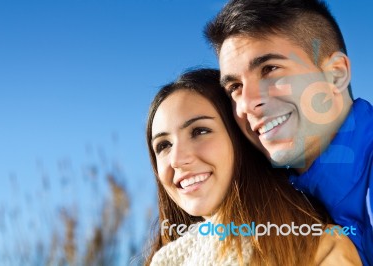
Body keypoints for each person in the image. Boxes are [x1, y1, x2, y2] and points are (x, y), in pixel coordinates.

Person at [204, 0, 373, 264]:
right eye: (235, 87)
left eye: (270, 69)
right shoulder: (257, 201)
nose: (247, 104)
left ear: (336, 75)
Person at [144, 68, 360, 265]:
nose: (177, 159)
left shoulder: (318, 246)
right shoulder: (165, 261)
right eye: (163, 145)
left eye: (200, 131)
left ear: (242, 136)